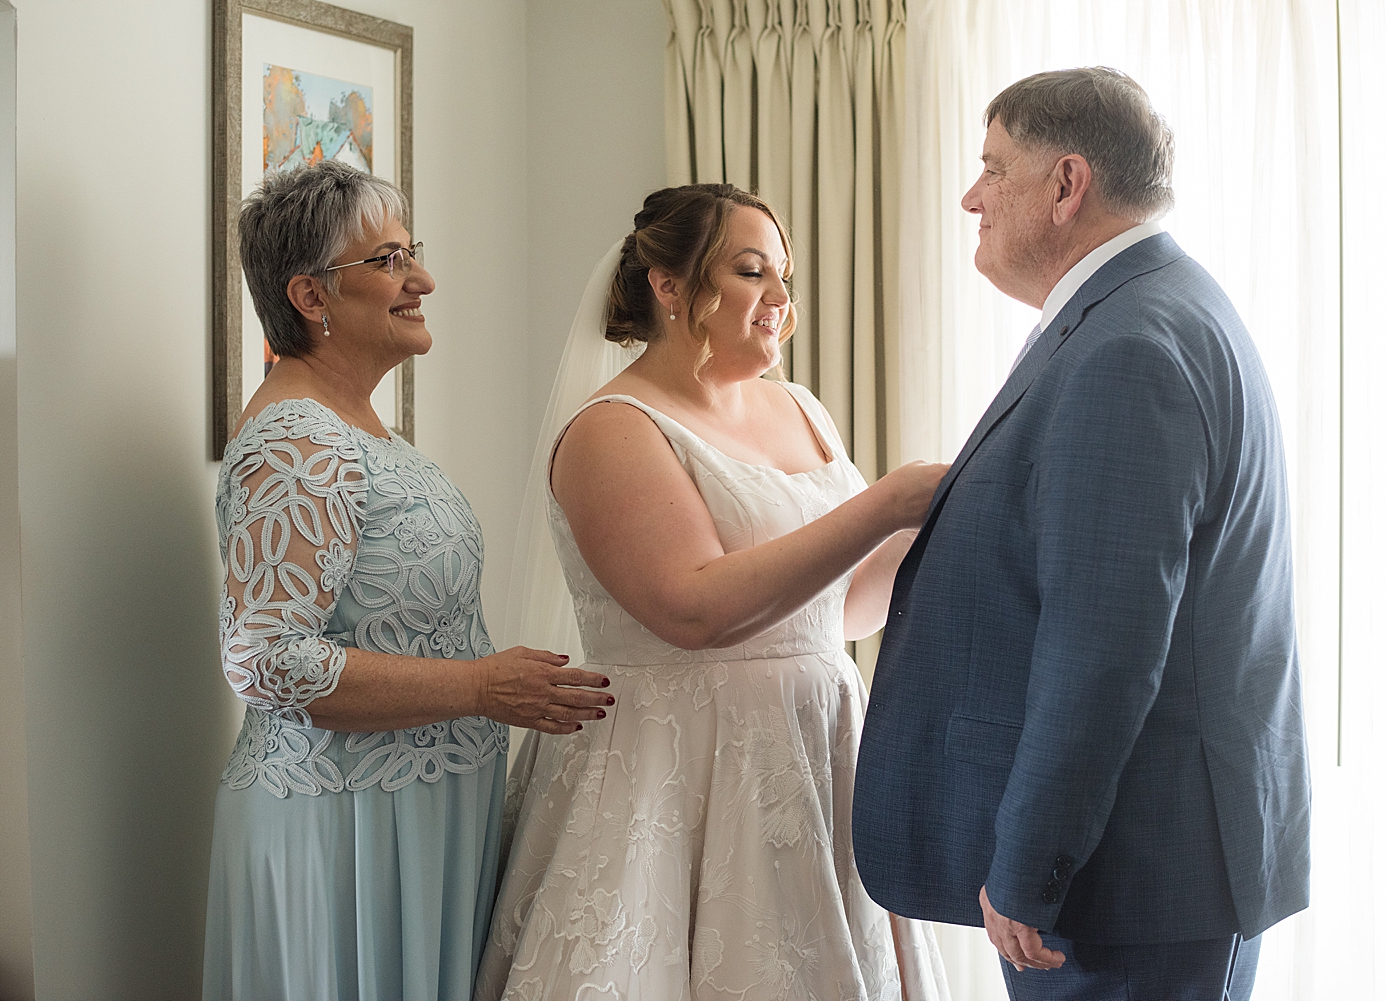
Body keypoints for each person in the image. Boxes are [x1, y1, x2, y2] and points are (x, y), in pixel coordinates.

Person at [852, 67, 1312, 1001]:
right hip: (1149, 877)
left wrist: (1031, 862)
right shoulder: (1150, 309)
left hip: (1130, 888)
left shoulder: (1128, 347)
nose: (971, 196)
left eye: (993, 168)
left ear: (1067, 185)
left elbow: (1103, 641)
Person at [473, 184, 951, 1000]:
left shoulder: (803, 411)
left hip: (815, 757)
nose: (779, 299)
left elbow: (847, 608)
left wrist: (933, 516)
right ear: (670, 287)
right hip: (674, 768)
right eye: (751, 271)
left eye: (783, 277)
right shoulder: (614, 428)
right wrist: (885, 501)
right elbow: (691, 607)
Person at [203, 160, 612, 1001]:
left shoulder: (356, 427)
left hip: (412, 828)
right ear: (312, 298)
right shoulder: (295, 443)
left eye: (409, 252)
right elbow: (267, 660)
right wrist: (480, 686)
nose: (421, 279)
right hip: (345, 835)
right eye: (389, 261)